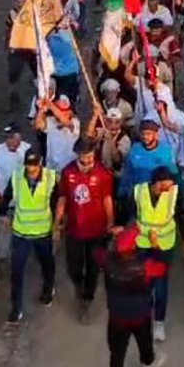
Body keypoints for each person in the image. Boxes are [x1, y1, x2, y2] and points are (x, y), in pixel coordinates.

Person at [101, 224, 167, 367]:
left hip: (116, 318)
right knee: (145, 345)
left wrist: (111, 235)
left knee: (117, 355)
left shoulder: (108, 263)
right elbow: (162, 267)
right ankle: (149, 366)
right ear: (133, 248)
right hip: (140, 316)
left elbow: (96, 250)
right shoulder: (144, 267)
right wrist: (155, 246)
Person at [55, 136, 114, 321]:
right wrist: (57, 223)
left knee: (94, 268)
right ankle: (78, 288)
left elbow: (107, 199)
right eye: (84, 158)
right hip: (74, 230)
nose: (88, 161)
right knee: (73, 267)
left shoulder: (103, 173)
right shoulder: (67, 172)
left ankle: (86, 300)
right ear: (77, 155)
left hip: (97, 230)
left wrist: (110, 222)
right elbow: (62, 198)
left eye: (90, 157)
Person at [0, 147, 58, 324]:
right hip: (21, 233)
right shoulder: (17, 177)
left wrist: (57, 226)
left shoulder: (51, 178)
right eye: (28, 165)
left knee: (47, 264)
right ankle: (16, 309)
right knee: (16, 272)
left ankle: (49, 288)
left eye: (34, 165)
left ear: (40, 163)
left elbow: (57, 202)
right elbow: (7, 196)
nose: (31, 169)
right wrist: (3, 214)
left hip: (42, 232)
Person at [132, 165, 184, 341]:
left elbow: (180, 216)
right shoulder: (139, 191)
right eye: (168, 183)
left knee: (161, 286)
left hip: (164, 246)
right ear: (158, 183)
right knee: (144, 284)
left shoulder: (173, 194)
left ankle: (159, 323)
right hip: (143, 245)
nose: (171, 186)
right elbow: (131, 215)